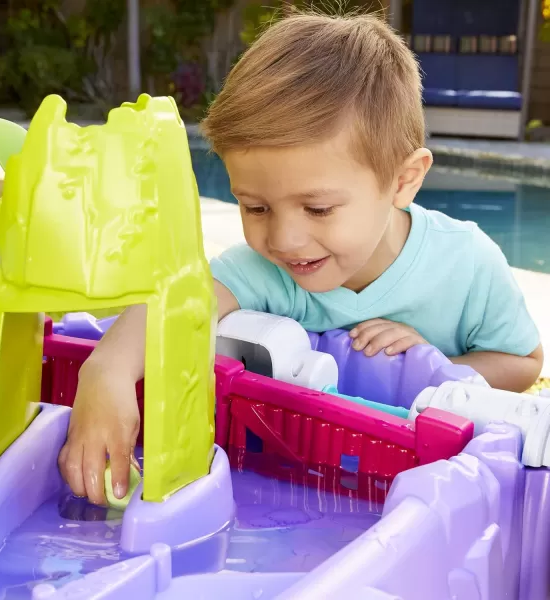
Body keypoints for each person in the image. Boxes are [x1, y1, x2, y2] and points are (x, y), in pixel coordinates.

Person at [58, 11, 543, 505]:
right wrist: (105, 373)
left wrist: (441, 364)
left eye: (318, 208)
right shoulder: (264, 269)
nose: (285, 239)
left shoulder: (466, 263)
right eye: (255, 207)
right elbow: (179, 302)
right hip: (317, 486)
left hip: (437, 493)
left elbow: (523, 362)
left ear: (403, 181)